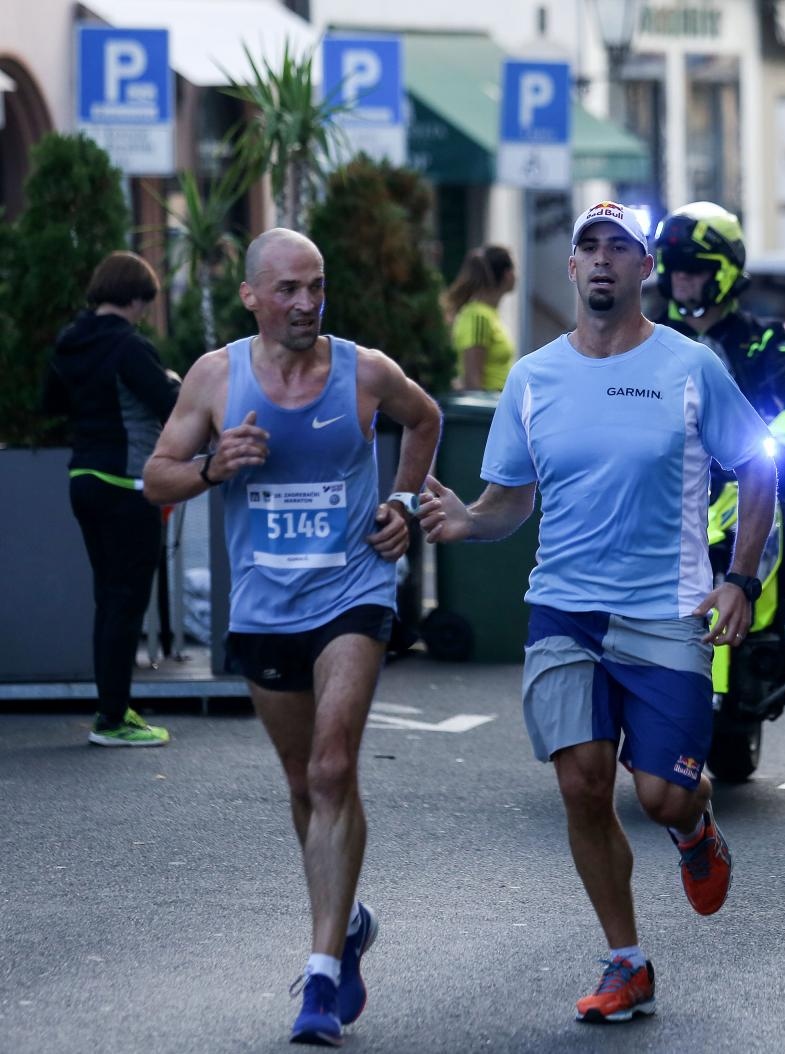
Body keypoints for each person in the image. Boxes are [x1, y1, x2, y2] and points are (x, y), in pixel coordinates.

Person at [420, 201, 775, 1026]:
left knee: (659, 797)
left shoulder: (692, 368)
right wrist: (469, 521)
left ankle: (696, 826)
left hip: (665, 613)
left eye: (622, 247)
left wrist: (741, 579)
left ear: (645, 269)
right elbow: (508, 500)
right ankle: (627, 961)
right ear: (573, 270)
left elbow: (756, 468)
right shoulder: (535, 376)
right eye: (590, 247)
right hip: (565, 610)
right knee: (583, 787)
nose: (605, 259)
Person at [143, 227, 442, 1046]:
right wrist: (212, 467)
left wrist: (404, 505)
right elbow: (155, 476)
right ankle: (343, 924)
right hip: (265, 607)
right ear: (252, 297)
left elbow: (426, 420)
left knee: (332, 764)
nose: (307, 303)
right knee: (303, 784)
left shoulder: (365, 371)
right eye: (289, 290)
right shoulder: (216, 377)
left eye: (316, 287)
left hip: (352, 591)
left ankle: (318, 978)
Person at [653, 199, 785, 706]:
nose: (682, 281)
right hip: (674, 481)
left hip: (751, 478)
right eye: (675, 270)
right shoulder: (652, 338)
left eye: (695, 270)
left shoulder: (764, 335)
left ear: (725, 272)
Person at [43, 251, 181, 747]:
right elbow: (172, 407)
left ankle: (112, 709)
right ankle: (113, 719)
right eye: (146, 303)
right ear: (134, 297)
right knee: (127, 601)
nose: (145, 312)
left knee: (109, 599)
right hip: (128, 482)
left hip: (83, 476)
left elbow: (50, 404)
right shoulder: (129, 346)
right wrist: (172, 384)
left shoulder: (69, 343)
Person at [442, 244, 517, 391]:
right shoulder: (478, 317)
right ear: (507, 274)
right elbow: (473, 381)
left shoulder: (488, 314)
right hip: (488, 409)